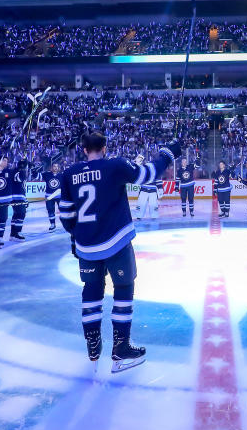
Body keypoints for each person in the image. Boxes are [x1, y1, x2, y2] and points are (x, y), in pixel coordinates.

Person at [59, 132, 180, 373]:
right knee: (123, 288)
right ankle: (121, 347)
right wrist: (167, 155)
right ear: (104, 147)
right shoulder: (115, 165)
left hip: (87, 247)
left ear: (84, 150)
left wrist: (76, 238)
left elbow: (66, 215)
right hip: (116, 242)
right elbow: (147, 174)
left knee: (91, 293)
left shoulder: (69, 174)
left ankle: (93, 348)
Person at [133, 155, 162, 220]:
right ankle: (139, 215)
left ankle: (154, 215)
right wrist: (136, 163)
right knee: (141, 203)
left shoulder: (155, 170)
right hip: (143, 189)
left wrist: (160, 189)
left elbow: (159, 180)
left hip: (153, 191)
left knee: (153, 204)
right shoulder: (143, 169)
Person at [10, 159, 29, 241]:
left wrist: (25, 199)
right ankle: (17, 233)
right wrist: (22, 169)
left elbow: (22, 188)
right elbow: (19, 179)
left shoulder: (19, 172)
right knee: (21, 213)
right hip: (16, 197)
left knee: (17, 215)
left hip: (20, 197)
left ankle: (13, 234)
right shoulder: (17, 172)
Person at [42, 162, 62, 232]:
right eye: (54, 166)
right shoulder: (47, 174)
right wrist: (35, 171)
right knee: (50, 211)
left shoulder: (61, 175)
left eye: (57, 166)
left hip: (59, 196)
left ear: (58, 168)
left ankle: (66, 224)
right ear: (51, 167)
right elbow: (37, 175)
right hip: (49, 196)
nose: (55, 168)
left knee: (63, 210)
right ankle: (52, 224)